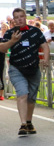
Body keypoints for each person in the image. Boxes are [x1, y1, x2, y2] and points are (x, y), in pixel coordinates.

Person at [0, 8, 50, 136]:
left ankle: (29, 122)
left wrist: (46, 58)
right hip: (16, 68)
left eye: (21, 16)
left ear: (25, 17)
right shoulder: (9, 33)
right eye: (16, 17)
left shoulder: (35, 31)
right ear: (13, 20)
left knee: (31, 98)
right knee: (22, 93)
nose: (19, 19)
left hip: (33, 69)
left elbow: (44, 45)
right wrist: (12, 41)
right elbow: (2, 49)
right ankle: (23, 124)